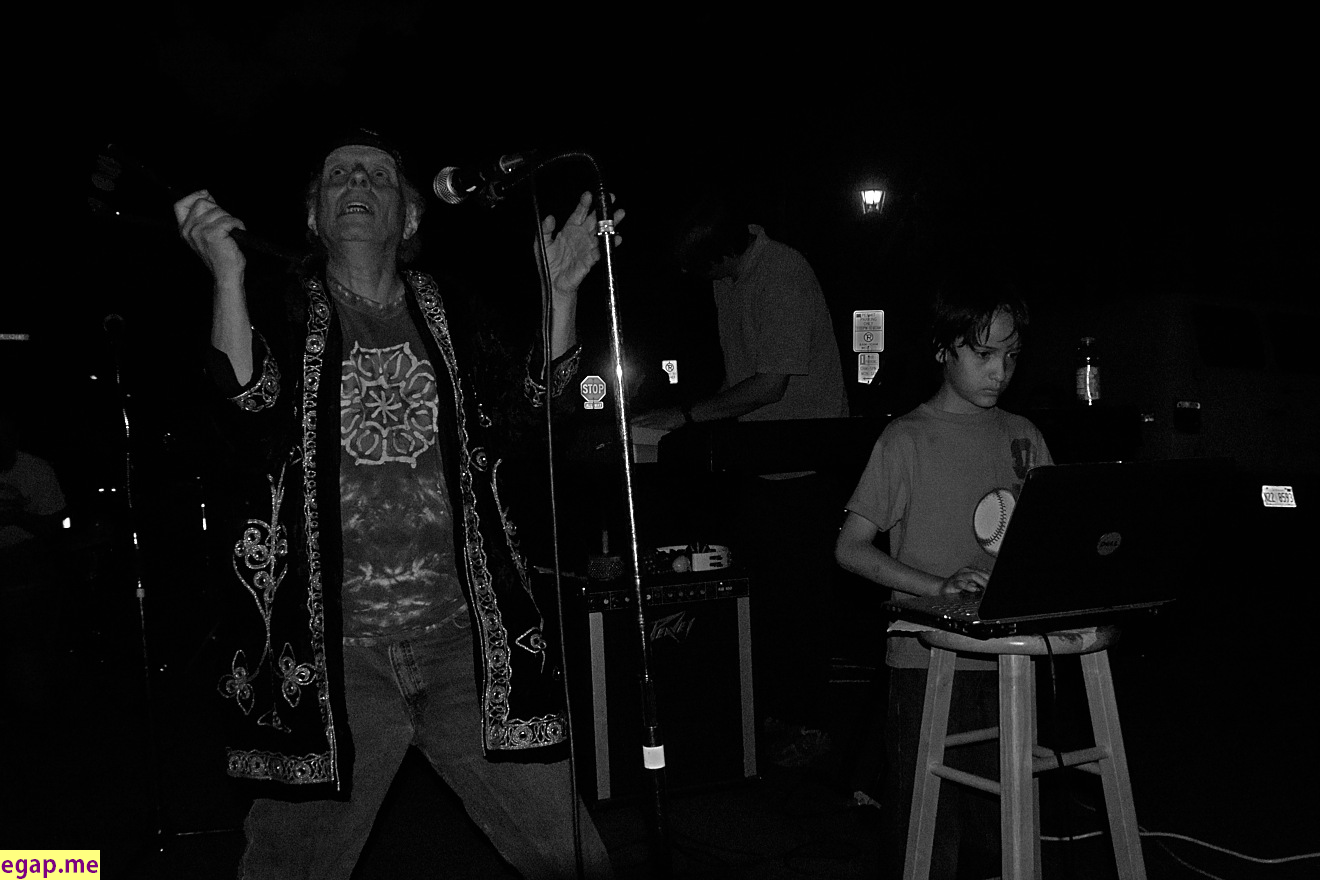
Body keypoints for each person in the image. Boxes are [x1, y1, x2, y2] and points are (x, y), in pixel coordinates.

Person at [173, 128, 623, 880]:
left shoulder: (456, 311)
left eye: (376, 175)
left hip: (468, 648)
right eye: (338, 175)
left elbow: (533, 414)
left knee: (571, 859)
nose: (356, 182)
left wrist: (562, 294)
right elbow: (247, 412)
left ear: (410, 216)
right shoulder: (278, 308)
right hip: (334, 663)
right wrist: (226, 275)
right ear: (314, 216)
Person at [833, 277, 1052, 879]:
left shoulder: (1024, 434)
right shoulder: (906, 437)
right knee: (927, 831)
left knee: (998, 829)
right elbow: (850, 549)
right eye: (983, 354)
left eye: (1011, 356)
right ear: (942, 349)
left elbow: (1048, 538)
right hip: (926, 660)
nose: (1000, 371)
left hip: (1007, 659)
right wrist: (936, 587)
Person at [633, 187, 848, 768]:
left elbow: (771, 384)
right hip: (759, 460)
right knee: (763, 600)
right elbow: (739, 379)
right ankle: (772, 717)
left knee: (801, 603)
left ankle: (812, 727)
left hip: (803, 462)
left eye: (705, 266)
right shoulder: (729, 281)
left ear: (726, 252)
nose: (702, 278)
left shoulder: (781, 272)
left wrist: (684, 416)